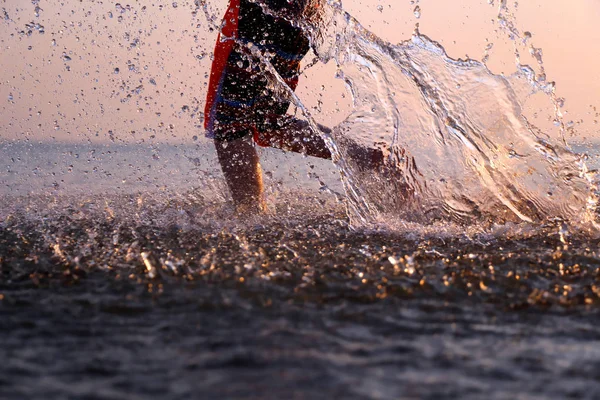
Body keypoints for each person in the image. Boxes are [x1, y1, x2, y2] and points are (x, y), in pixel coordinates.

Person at [204, 0, 382, 213]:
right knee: (267, 124)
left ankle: (251, 218)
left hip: (260, 11)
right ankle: (364, 157)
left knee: (228, 123)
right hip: (301, 15)